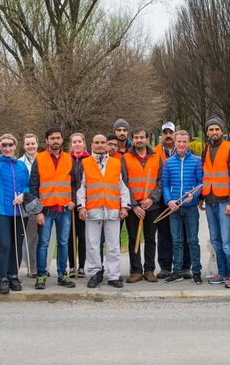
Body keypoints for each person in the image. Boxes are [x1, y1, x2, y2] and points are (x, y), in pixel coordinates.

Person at [77, 134, 130, 288]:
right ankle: (95, 273)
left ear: (107, 144)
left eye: (103, 142)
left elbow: (123, 187)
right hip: (92, 210)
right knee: (92, 244)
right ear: (91, 144)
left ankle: (113, 276)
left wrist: (124, 206)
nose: (100, 145)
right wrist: (81, 206)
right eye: (97, 142)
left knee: (113, 245)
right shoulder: (84, 163)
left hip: (113, 210)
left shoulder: (116, 163)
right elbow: (81, 188)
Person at [0, 134, 30, 294]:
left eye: (10, 145)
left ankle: (13, 275)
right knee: (4, 245)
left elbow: (27, 185)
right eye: (4, 145)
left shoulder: (21, 165)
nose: (8, 148)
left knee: (17, 244)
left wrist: (23, 194)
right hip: (1, 210)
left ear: (15, 146)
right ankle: (2, 277)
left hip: (18, 211)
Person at [30, 127, 76, 289]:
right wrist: (37, 211)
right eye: (52, 138)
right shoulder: (40, 158)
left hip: (64, 209)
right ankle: (41, 275)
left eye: (58, 138)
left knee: (63, 243)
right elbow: (33, 186)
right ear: (47, 141)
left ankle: (62, 275)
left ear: (62, 140)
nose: (55, 141)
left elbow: (75, 183)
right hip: (45, 209)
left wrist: (74, 201)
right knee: (43, 243)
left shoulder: (69, 159)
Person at [200, 116, 230, 288]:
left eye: (217, 129)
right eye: (211, 129)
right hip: (210, 200)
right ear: (207, 132)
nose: (214, 132)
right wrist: (202, 197)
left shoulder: (229, 149)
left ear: (222, 132)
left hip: (225, 201)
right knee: (215, 240)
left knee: (226, 241)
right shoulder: (206, 149)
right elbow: (204, 175)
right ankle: (222, 272)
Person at [161, 130, 203, 284]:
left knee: (192, 240)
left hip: (191, 207)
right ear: (175, 142)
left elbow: (201, 183)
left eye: (185, 141)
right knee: (176, 240)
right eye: (179, 141)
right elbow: (165, 185)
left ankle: (196, 270)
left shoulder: (197, 161)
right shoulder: (169, 162)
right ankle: (177, 271)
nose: (182, 144)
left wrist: (195, 195)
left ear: (189, 142)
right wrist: (169, 201)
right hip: (175, 208)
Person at [122, 127, 163, 283]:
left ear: (147, 139)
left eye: (142, 137)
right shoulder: (125, 159)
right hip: (134, 207)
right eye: (136, 137)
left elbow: (160, 181)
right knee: (134, 238)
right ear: (132, 140)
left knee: (151, 238)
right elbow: (124, 184)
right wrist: (134, 205)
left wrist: (152, 199)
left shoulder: (156, 157)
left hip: (151, 206)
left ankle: (149, 270)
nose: (139, 140)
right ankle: (136, 270)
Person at [154, 122, 190, 278]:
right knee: (164, 235)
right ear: (161, 135)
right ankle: (165, 267)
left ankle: (184, 267)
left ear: (175, 135)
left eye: (171, 132)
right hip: (163, 200)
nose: (168, 135)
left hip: (181, 200)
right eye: (165, 132)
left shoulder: (185, 151)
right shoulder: (154, 153)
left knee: (184, 233)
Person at [68, 132, 90, 277]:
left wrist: (84, 203)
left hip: (84, 204)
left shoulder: (89, 160)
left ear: (83, 143)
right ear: (71, 144)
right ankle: (71, 266)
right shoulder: (67, 159)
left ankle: (81, 266)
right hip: (69, 203)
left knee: (82, 236)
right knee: (70, 236)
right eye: (74, 142)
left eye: (79, 141)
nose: (77, 144)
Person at [19, 133, 39, 276]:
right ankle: (32, 268)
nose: (30, 146)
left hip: (44, 201)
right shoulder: (20, 163)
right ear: (23, 146)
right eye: (28, 144)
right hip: (29, 203)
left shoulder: (44, 159)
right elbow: (21, 184)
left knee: (44, 237)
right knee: (31, 237)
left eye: (33, 143)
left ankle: (42, 265)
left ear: (37, 144)